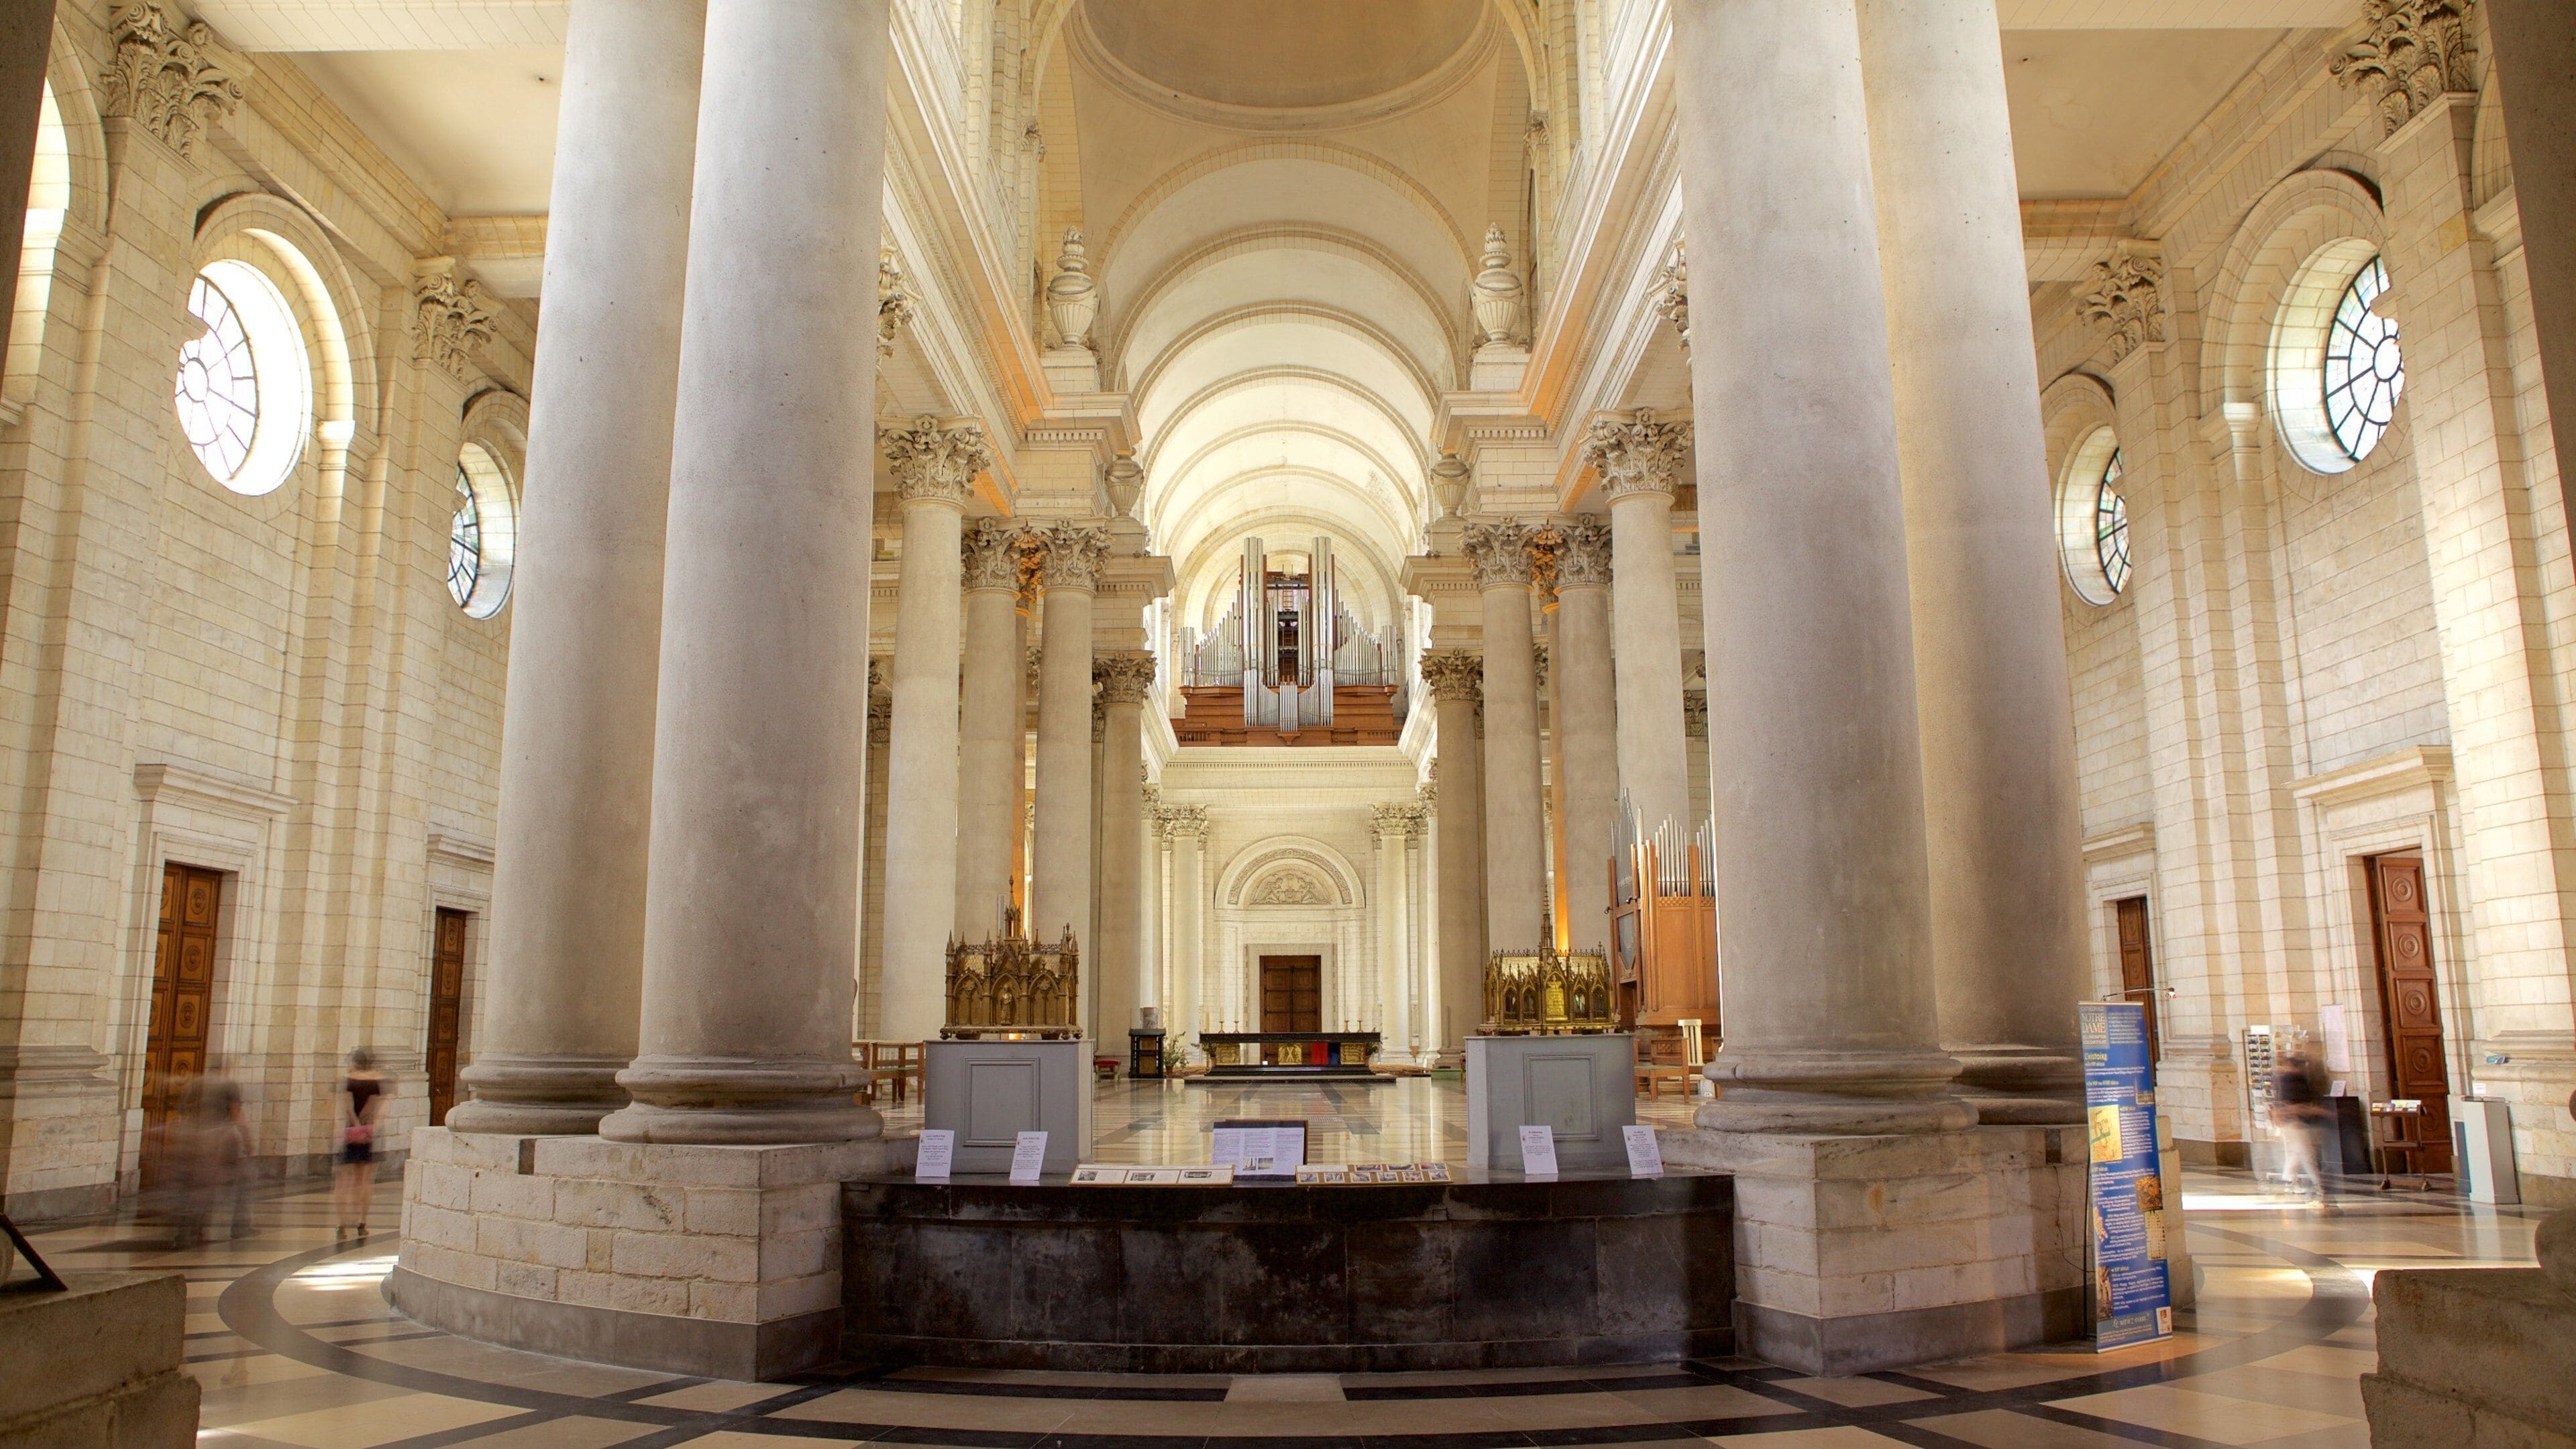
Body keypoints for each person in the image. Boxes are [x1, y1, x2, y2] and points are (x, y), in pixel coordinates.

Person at [180, 1059, 254, 1244]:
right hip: (222, 1139)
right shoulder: (229, 1085)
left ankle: (190, 1227)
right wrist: (247, 1140)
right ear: (224, 1068)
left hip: (197, 1137)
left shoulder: (195, 1083)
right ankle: (239, 1225)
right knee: (242, 1180)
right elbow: (236, 1113)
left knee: (199, 1185)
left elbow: (183, 1111)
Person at [2272, 1042, 2334, 1210]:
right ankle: (2319, 1187)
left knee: (2296, 1154)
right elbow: (2293, 1105)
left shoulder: (2289, 1080)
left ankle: (2288, 1181)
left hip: (2294, 1124)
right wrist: (2314, 1110)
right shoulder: (2292, 1081)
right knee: (2307, 1156)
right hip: (2295, 1124)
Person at [335, 1048, 388, 1239]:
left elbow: (348, 1108)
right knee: (365, 1181)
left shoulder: (349, 1080)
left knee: (343, 1182)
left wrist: (355, 1126)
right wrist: (367, 1128)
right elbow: (374, 1109)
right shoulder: (376, 1082)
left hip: (351, 1133)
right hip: (368, 1135)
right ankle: (362, 1222)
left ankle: (341, 1225)